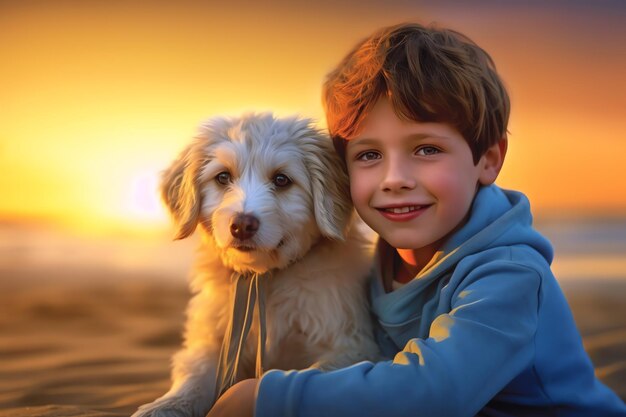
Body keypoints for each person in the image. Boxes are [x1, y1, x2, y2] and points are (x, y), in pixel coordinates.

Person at [207, 22, 626, 417]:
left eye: (426, 149)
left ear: (488, 160)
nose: (395, 179)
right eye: (369, 155)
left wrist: (271, 397)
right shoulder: (384, 260)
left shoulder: (510, 275)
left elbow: (437, 391)